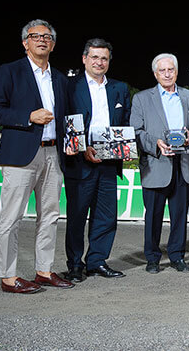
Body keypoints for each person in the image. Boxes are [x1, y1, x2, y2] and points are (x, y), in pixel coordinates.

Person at [0, 19, 74, 293]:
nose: (42, 40)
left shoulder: (59, 78)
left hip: (53, 154)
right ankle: (8, 276)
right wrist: (28, 116)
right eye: (35, 36)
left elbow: (66, 118)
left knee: (50, 216)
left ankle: (44, 271)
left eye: (47, 37)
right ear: (25, 43)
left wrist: (72, 142)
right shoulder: (10, 71)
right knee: (11, 217)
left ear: (53, 45)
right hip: (20, 155)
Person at [63, 38, 132, 281]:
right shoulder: (70, 86)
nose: (99, 62)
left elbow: (125, 122)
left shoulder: (119, 88)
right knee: (77, 216)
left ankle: (97, 262)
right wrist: (83, 148)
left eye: (104, 58)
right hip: (79, 161)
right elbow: (65, 122)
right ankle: (74, 265)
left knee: (106, 217)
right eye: (94, 57)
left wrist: (125, 147)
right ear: (84, 59)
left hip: (109, 162)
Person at [131, 53, 189, 274]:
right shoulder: (141, 99)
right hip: (156, 163)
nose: (167, 74)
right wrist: (156, 144)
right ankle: (152, 258)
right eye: (162, 70)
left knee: (179, 216)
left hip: (183, 164)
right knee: (153, 216)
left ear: (176, 72)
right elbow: (136, 131)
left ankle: (177, 256)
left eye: (171, 70)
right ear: (155, 74)